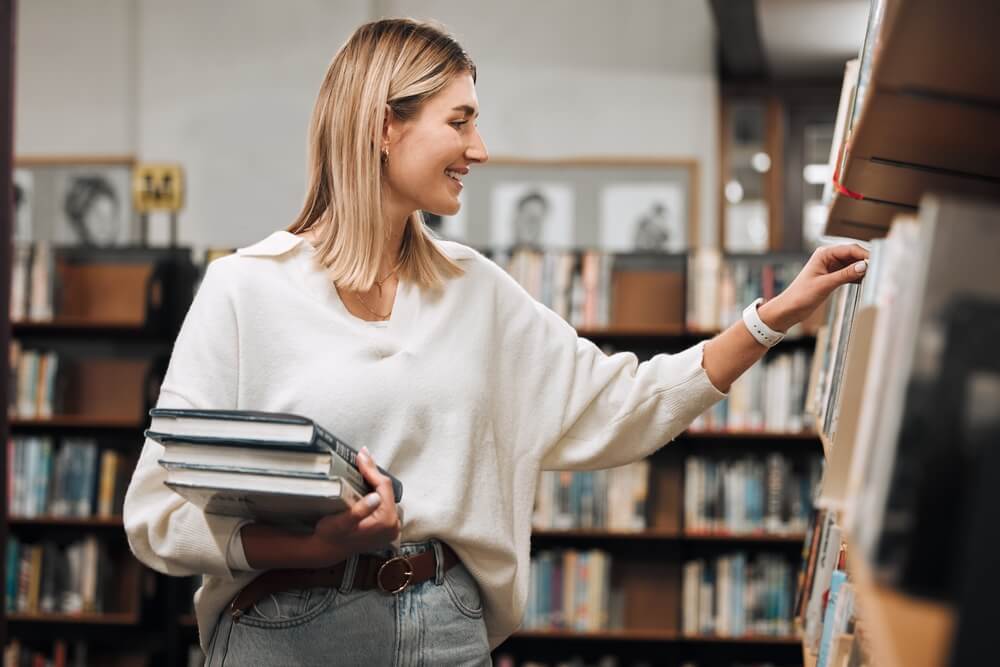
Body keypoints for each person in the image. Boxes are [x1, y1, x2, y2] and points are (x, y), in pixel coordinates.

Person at [122, 18, 869, 667]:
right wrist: (311, 547)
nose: (480, 148)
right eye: (460, 121)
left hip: (448, 625)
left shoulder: (475, 290)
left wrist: (773, 317)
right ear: (386, 126)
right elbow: (158, 513)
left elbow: (622, 401)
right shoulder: (244, 289)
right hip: (288, 631)